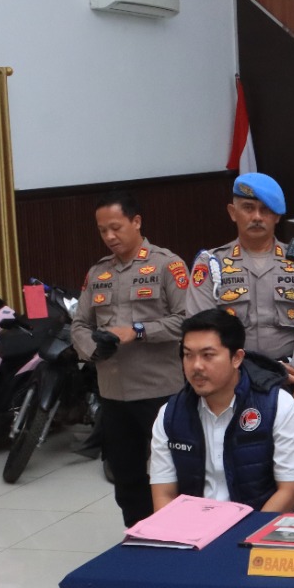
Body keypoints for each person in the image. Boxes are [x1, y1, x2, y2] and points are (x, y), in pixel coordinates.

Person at [71, 193, 190, 526]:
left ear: (136, 222)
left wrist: (137, 331)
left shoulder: (167, 265)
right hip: (113, 393)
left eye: (116, 227)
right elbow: (79, 324)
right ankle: (137, 534)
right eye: (102, 231)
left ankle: (180, 532)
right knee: (125, 476)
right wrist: (93, 348)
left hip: (159, 392)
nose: (109, 236)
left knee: (174, 471)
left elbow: (188, 320)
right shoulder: (98, 272)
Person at [187, 172, 294, 425]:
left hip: (290, 383)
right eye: (248, 208)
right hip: (228, 383)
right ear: (233, 212)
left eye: (266, 210)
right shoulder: (211, 264)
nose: (256, 217)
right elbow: (202, 331)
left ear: (277, 216)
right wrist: (255, 370)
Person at [148, 310, 294, 513]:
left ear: (237, 358)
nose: (196, 366)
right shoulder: (170, 414)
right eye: (188, 355)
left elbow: (291, 493)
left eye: (208, 355)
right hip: (196, 525)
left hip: (262, 523)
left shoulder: (278, 405)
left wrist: (245, 532)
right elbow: (163, 495)